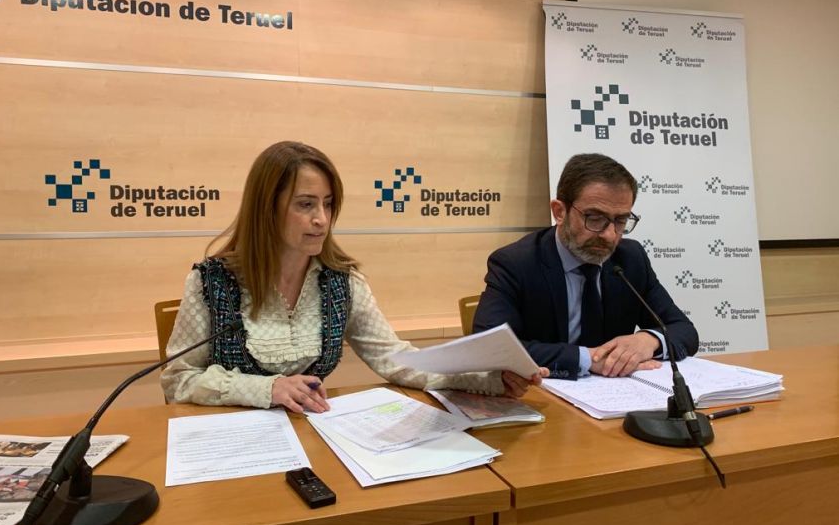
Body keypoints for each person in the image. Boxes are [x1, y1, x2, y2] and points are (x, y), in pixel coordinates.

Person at [161, 141, 547, 413]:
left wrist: (491, 379)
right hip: (230, 442)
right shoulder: (211, 282)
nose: (322, 219)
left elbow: (395, 360)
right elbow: (178, 379)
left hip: (312, 435)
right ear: (266, 209)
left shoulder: (341, 282)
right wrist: (267, 388)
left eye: (328, 204)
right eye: (305, 204)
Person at [473, 153, 697, 380]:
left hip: (617, 393)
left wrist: (648, 340)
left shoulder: (630, 259)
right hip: (544, 393)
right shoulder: (516, 263)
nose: (610, 235)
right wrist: (588, 359)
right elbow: (489, 348)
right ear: (560, 212)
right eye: (595, 218)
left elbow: (684, 330)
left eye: (621, 220)